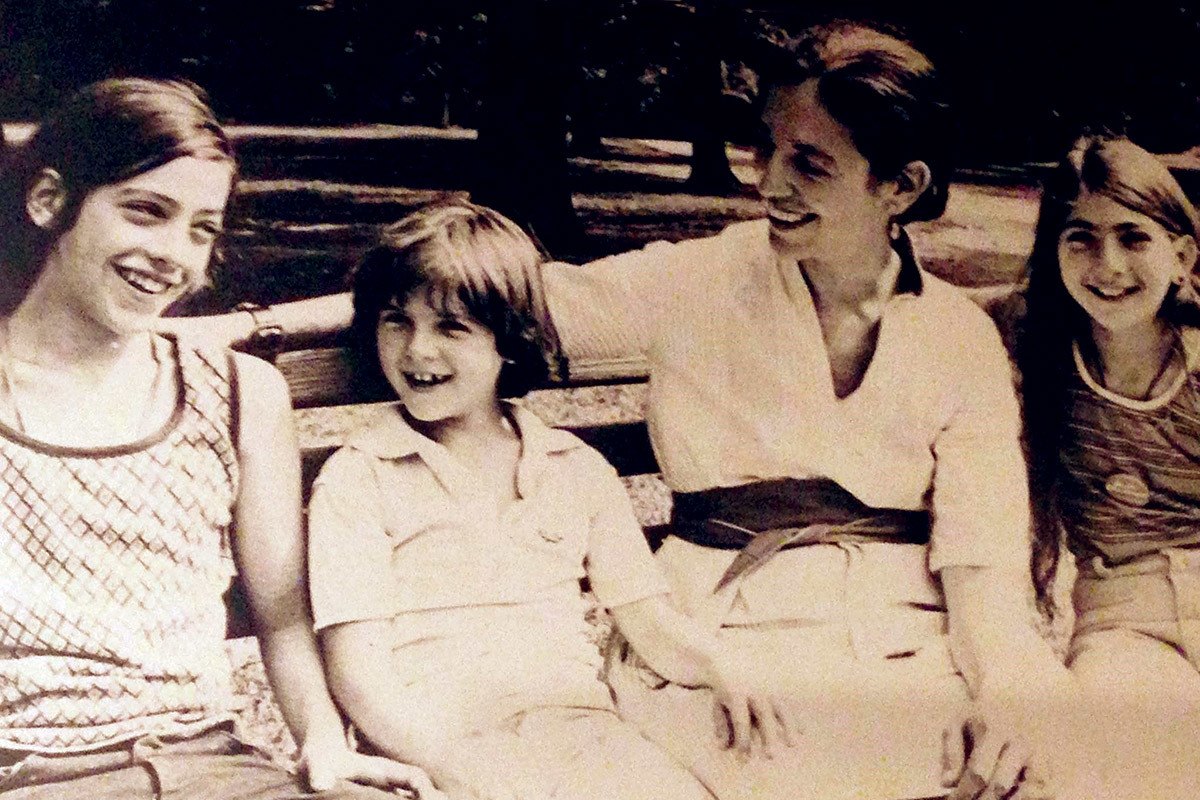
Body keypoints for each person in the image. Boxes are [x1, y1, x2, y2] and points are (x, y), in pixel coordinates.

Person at [162, 20, 1072, 800]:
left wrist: (1011, 693)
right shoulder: (694, 280)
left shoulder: (957, 340)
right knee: (812, 759)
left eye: (812, 164)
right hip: (720, 633)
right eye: (766, 150)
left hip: (908, 642)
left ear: (901, 186)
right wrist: (254, 324)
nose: (770, 184)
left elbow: (984, 572)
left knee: (1039, 758)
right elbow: (484, 296)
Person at [0, 78, 440, 800]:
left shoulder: (237, 395)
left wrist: (323, 744)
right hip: (37, 772)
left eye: (202, 229)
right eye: (146, 212)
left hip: (215, 766)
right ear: (49, 201)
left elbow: (284, 618)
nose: (174, 254)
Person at [307, 198, 782, 800]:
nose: (417, 350)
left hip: (580, 736)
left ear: (509, 340)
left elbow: (648, 620)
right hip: (431, 749)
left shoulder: (574, 468)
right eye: (396, 320)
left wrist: (721, 665)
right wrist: (452, 766)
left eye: (451, 327)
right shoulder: (361, 477)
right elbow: (358, 674)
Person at [1020, 134, 1200, 799]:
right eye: (1081, 238)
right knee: (1124, 769)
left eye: (1134, 237)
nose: (1108, 264)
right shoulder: (1029, 358)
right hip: (1126, 618)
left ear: (1181, 254)